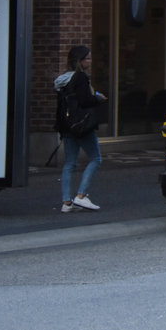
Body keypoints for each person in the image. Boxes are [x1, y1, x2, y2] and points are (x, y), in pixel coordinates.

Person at [55, 45, 107, 213]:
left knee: (69, 163)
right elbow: (85, 101)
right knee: (96, 159)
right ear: (79, 60)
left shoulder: (63, 79)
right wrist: (97, 98)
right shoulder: (81, 78)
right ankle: (81, 195)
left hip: (67, 126)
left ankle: (66, 202)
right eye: (87, 58)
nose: (90, 61)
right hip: (83, 125)